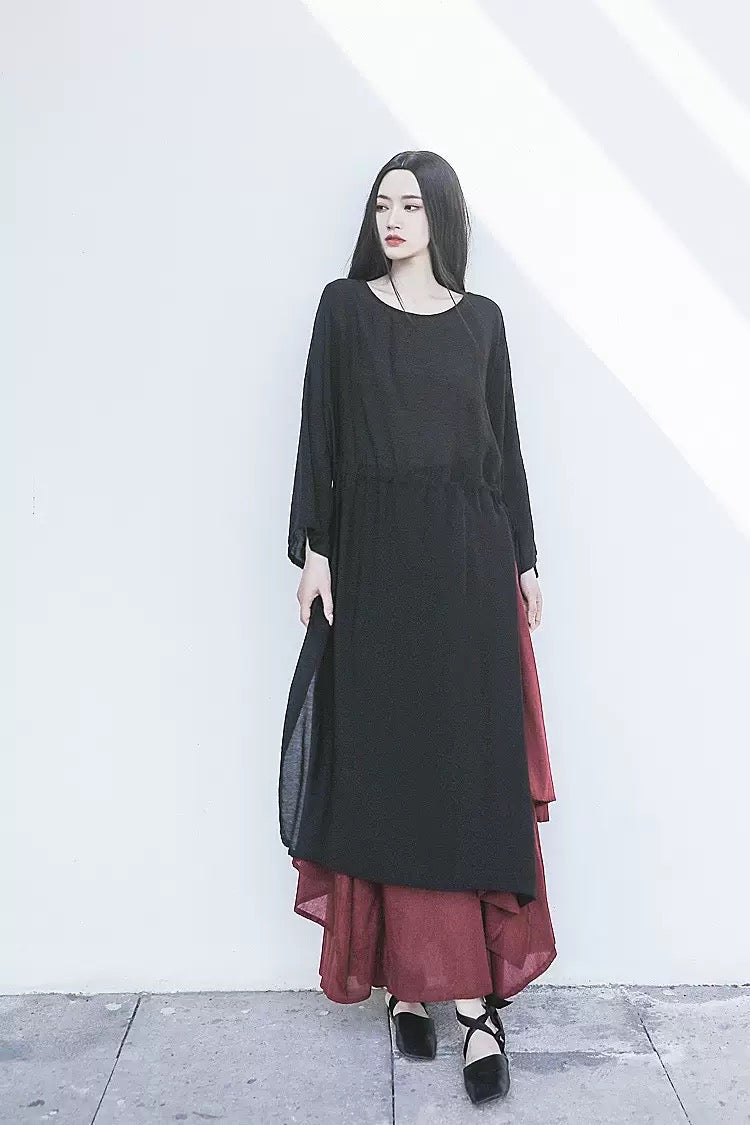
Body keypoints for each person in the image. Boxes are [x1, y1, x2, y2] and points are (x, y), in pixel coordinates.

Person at [279, 151, 557, 1107]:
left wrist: (525, 559)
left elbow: (504, 447)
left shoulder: (483, 322)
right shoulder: (344, 310)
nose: (392, 218)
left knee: (466, 771)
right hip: (376, 562)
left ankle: (475, 1004)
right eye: (381, 204)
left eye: (410, 203)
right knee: (388, 768)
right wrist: (315, 549)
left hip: (469, 563)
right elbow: (318, 430)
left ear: (442, 215)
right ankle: (405, 979)